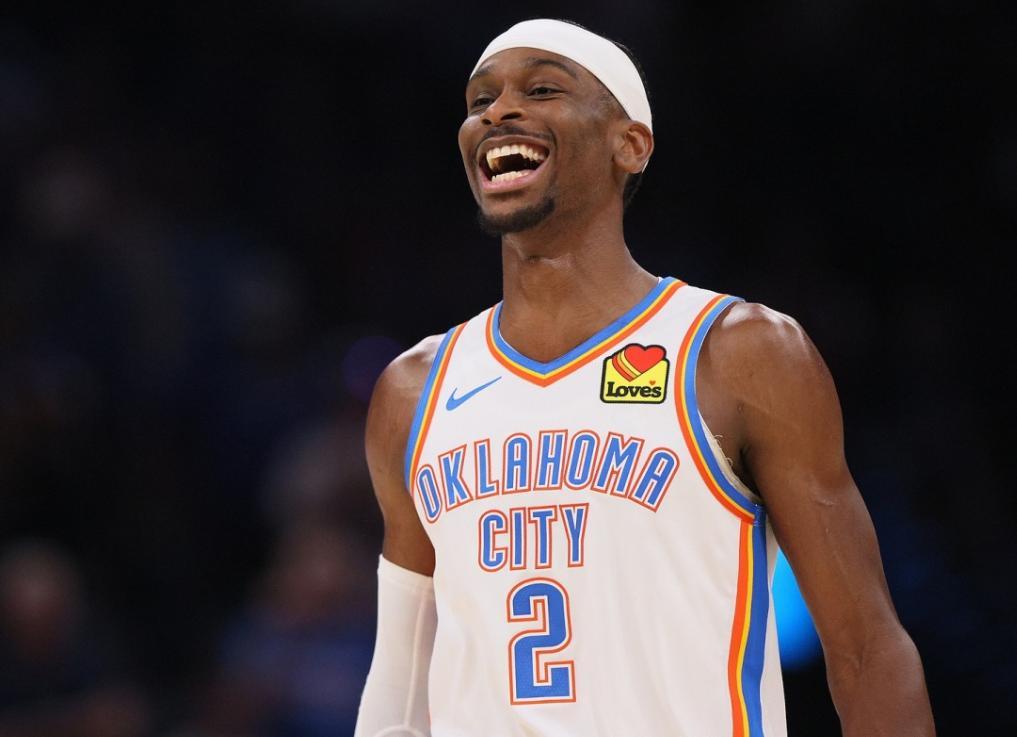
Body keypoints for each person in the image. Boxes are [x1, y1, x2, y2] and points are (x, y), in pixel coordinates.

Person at [355, 18, 935, 737]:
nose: (498, 112)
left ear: (629, 144)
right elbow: (400, 683)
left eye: (541, 89)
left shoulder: (737, 351)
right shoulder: (413, 390)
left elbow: (867, 650)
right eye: (480, 101)